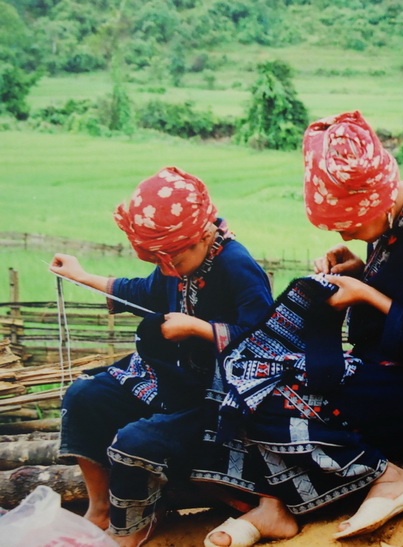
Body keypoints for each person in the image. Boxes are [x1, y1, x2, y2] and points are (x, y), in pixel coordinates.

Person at [193, 110, 403, 547]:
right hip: (385, 368)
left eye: (349, 221)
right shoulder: (393, 219)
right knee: (240, 376)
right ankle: (276, 505)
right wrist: (364, 273)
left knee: (275, 398)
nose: (343, 230)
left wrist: (367, 294)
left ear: (373, 201)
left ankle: (390, 479)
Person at [51, 167, 274, 547]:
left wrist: (199, 328)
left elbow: (268, 342)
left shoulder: (237, 266)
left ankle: (134, 526)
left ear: (202, 236)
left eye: (173, 259)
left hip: (223, 402)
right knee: (84, 395)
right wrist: (81, 275)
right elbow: (142, 291)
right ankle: (100, 509)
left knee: (136, 439)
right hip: (179, 384)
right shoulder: (175, 260)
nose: (167, 268)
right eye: (160, 261)